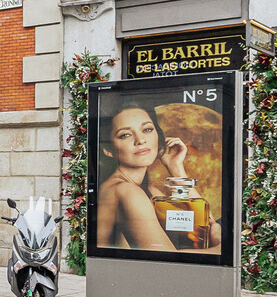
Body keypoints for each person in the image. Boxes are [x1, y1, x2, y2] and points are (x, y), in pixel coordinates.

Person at [93, 99, 222, 253]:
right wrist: (222, 249)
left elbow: (205, 225)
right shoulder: (126, 191)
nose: (140, 140)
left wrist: (176, 168)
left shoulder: (148, 190)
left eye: (147, 129)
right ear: (108, 150)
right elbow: (169, 260)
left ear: (158, 136)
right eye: (125, 135)